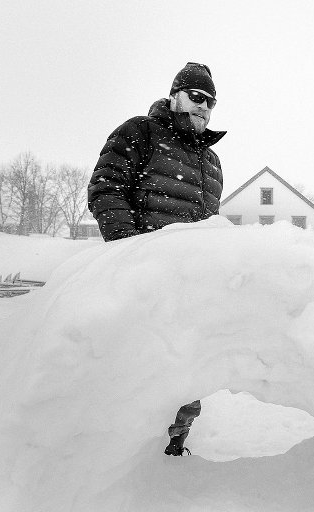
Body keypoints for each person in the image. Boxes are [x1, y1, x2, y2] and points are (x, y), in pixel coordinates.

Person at [87, 62, 226, 456]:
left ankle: (173, 447)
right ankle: (120, 460)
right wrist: (130, 252)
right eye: (196, 97)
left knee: (188, 371)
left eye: (211, 102)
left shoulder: (211, 163)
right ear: (175, 95)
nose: (204, 107)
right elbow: (105, 188)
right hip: (144, 280)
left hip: (191, 285)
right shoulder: (141, 132)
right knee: (137, 373)